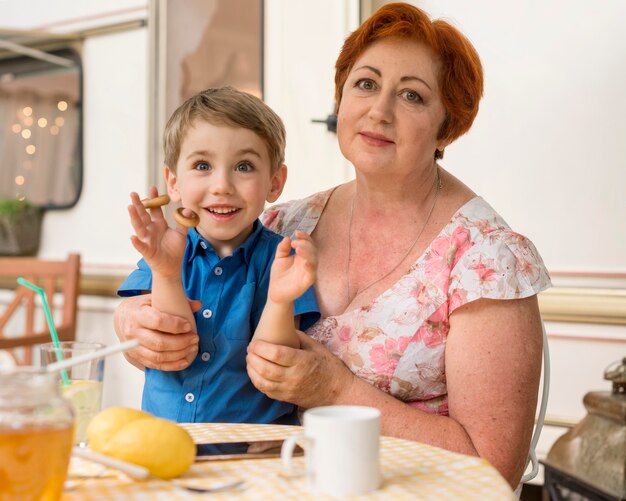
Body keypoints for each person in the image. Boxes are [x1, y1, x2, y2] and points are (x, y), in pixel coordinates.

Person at [114, 3, 551, 489]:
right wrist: (135, 322)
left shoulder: (486, 258)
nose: (378, 111)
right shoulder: (285, 221)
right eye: (365, 84)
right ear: (341, 98)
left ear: (446, 126)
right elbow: (184, 301)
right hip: (267, 484)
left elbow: (493, 468)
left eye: (411, 95)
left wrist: (335, 389)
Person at [118, 86, 319, 425]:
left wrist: (280, 300)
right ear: (174, 182)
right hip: (167, 441)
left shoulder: (282, 259)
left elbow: (273, 370)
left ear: (274, 182)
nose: (222, 185)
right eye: (202, 165)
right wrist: (166, 273)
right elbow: (172, 348)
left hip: (253, 450)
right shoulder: (163, 252)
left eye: (243, 166)